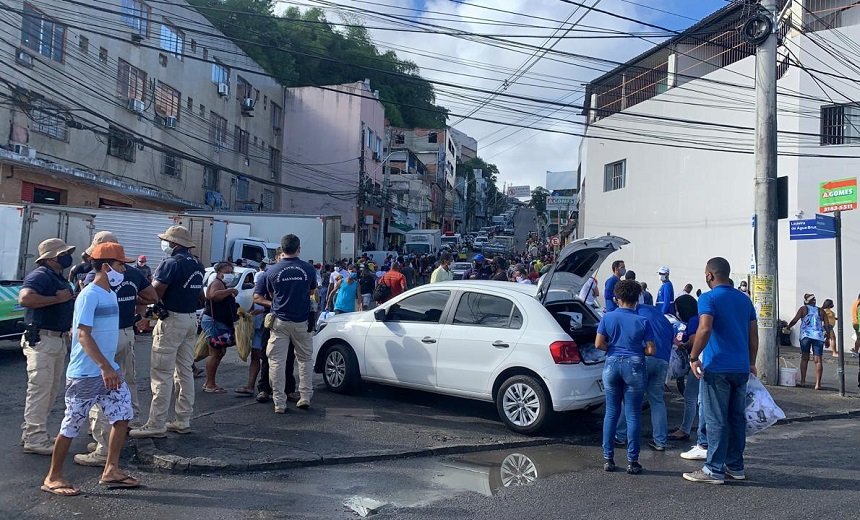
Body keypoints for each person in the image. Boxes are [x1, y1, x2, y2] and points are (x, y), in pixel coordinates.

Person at [41, 242, 139, 496]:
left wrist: (110, 367)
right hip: (86, 374)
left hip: (107, 371)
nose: (124, 270)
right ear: (106, 266)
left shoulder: (109, 294)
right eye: (120, 265)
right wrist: (105, 367)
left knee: (123, 415)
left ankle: (111, 470)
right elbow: (82, 334)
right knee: (71, 425)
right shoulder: (90, 294)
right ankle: (52, 477)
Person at [76, 232, 157, 466]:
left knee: (101, 388)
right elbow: (151, 296)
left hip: (103, 338)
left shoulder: (96, 278)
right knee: (125, 384)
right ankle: (121, 430)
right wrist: (133, 302)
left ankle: (103, 446)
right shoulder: (132, 273)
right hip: (126, 333)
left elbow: (84, 326)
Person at [683, 257, 757, 484]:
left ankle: (713, 469)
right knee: (736, 419)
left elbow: (704, 329)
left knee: (716, 419)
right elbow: (753, 336)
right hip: (741, 367)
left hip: (717, 367)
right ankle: (735, 466)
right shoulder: (745, 300)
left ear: (709, 275)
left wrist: (694, 357)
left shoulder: (708, 298)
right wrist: (751, 362)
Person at [130, 226, 204, 439]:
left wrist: (138, 301)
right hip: (190, 319)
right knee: (185, 371)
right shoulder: (197, 264)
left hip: (172, 320)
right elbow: (201, 296)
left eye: (166, 241)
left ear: (174, 244)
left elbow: (154, 293)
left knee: (162, 374)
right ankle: (183, 419)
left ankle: (156, 423)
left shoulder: (171, 264)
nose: (164, 244)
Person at [18, 239, 76, 455]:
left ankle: (34, 432)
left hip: (55, 339)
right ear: (52, 258)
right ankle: (35, 438)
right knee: (40, 390)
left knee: (49, 390)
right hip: (43, 339)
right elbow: (25, 299)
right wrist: (56, 298)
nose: (68, 256)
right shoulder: (40, 276)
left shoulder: (55, 277)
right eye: (64, 253)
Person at [595, 280, 655, 475]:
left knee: (611, 412)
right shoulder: (643, 320)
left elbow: (598, 344)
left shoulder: (608, 317)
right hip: (635, 365)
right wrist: (640, 350)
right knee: (632, 414)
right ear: (637, 298)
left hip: (611, 364)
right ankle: (632, 461)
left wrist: (612, 349)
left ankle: (608, 459)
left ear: (617, 298)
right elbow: (651, 349)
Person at [254, 234, 318, 412]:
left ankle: (279, 402)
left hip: (279, 321)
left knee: (276, 361)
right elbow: (311, 290)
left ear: (282, 249)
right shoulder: (308, 269)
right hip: (302, 321)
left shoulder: (271, 271)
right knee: (304, 360)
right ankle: (305, 396)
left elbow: (269, 293)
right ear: (299, 248)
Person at [616, 302, 674, 452]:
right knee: (657, 400)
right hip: (663, 361)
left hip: (644, 358)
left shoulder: (634, 312)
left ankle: (620, 436)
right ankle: (660, 441)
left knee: (630, 398)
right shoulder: (662, 318)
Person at [669, 294, 708, 458]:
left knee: (691, 396)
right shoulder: (700, 317)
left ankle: (686, 430)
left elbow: (693, 339)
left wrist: (682, 345)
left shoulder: (693, 320)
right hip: (709, 360)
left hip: (700, 360)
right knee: (700, 397)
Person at [201, 262, 239, 394]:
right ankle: (210, 384)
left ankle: (209, 382)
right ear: (219, 273)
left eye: (231, 272)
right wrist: (230, 291)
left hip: (220, 321)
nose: (229, 275)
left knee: (220, 352)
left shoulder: (222, 284)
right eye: (226, 272)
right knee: (215, 353)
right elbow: (213, 295)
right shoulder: (217, 283)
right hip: (214, 321)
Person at [236, 266, 269, 396]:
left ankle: (269, 387)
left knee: (270, 359)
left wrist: (262, 311)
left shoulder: (274, 291)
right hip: (258, 328)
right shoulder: (255, 293)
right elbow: (252, 306)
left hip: (269, 327)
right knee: (255, 356)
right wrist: (247, 314)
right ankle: (250, 386)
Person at [784, 293, 827, 390]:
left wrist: (788, 327)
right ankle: (817, 384)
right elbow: (827, 325)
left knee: (804, 358)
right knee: (818, 360)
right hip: (818, 336)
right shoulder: (821, 311)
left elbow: (795, 320)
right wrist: (828, 338)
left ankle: (803, 381)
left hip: (805, 336)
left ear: (806, 301)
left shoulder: (803, 309)